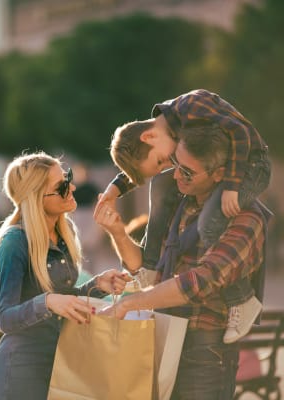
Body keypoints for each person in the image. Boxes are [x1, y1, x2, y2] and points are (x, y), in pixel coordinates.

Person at [95, 128, 267, 399]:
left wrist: (130, 303)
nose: (175, 175)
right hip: (163, 335)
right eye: (176, 165)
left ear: (219, 174)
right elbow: (147, 271)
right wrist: (117, 232)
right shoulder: (179, 204)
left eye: (187, 172)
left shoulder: (245, 218)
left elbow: (201, 280)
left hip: (204, 352)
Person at [97, 89, 271, 343]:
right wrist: (113, 191)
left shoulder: (193, 106)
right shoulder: (166, 131)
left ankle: (242, 299)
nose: (170, 169)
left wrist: (232, 185)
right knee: (159, 184)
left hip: (251, 165)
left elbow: (240, 133)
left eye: (163, 161)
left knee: (210, 223)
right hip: (172, 335)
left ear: (149, 135)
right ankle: (151, 265)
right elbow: (142, 163)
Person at [0, 152, 129, 400]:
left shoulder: (65, 233)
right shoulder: (15, 242)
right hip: (21, 369)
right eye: (62, 185)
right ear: (36, 197)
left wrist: (97, 285)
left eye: (68, 178)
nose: (72, 186)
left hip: (61, 361)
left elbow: (65, 301)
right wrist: (47, 302)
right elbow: (5, 318)